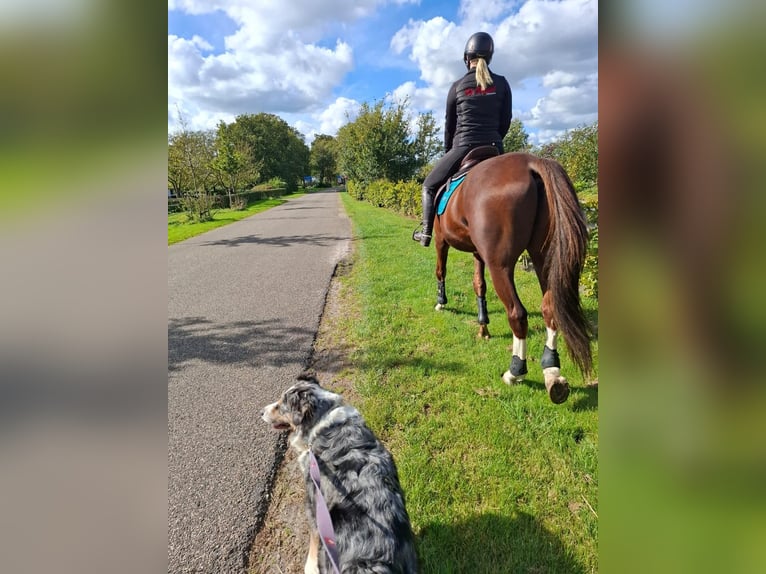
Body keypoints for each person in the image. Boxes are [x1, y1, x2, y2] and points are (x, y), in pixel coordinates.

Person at [412, 32, 512, 246]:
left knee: (429, 186)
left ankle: (426, 233)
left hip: (463, 146)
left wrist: (450, 151)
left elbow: (450, 126)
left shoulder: (457, 86)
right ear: (490, 57)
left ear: (467, 59)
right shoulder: (502, 83)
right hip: (494, 146)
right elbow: (506, 121)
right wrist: (495, 141)